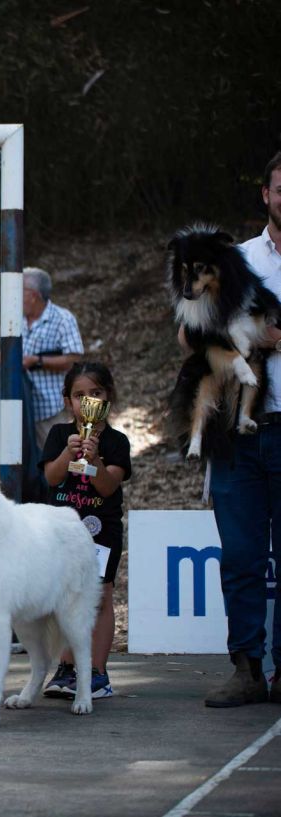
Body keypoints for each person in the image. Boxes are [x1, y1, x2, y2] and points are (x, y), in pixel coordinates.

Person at [200, 150, 281, 707]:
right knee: (241, 558)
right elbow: (192, 334)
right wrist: (250, 337)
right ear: (266, 194)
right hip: (239, 433)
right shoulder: (238, 261)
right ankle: (247, 669)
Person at [39, 362, 131, 702]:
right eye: (79, 395)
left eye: (96, 393)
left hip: (100, 532)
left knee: (100, 596)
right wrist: (69, 452)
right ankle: (67, 668)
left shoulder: (117, 442)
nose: (87, 400)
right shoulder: (58, 436)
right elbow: (51, 478)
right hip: (62, 531)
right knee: (65, 597)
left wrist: (94, 462)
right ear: (68, 401)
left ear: (109, 397)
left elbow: (107, 487)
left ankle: (96, 672)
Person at [21, 267, 84, 449]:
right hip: (21, 407)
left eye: (19, 290)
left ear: (33, 295)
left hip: (50, 407)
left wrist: (37, 361)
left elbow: (73, 359)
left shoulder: (62, 319)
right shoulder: (16, 319)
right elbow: (5, 352)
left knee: (56, 456)